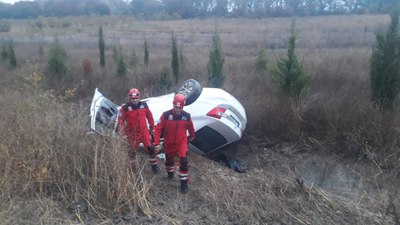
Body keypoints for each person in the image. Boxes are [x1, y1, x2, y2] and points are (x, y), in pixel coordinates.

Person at [154, 93, 195, 194]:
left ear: (182, 106)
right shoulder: (166, 115)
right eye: (176, 107)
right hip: (169, 143)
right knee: (169, 161)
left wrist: (192, 135)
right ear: (173, 105)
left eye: (179, 107)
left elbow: (191, 127)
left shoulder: (186, 116)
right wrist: (157, 143)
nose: (177, 109)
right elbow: (158, 129)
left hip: (181, 143)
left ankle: (184, 183)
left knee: (184, 161)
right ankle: (170, 172)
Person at [118, 88, 159, 173]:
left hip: (144, 132)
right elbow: (120, 121)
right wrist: (122, 133)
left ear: (139, 97)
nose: (135, 100)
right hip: (132, 133)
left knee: (151, 149)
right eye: (133, 99)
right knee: (132, 151)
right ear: (130, 98)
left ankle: (154, 166)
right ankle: (132, 167)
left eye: (136, 98)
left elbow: (150, 117)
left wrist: (152, 128)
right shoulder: (125, 108)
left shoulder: (144, 105)